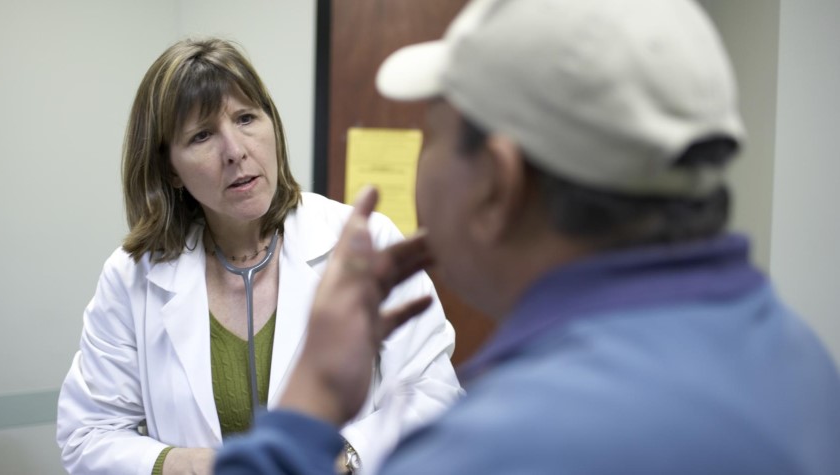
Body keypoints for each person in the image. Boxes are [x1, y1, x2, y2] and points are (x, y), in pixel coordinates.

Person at [213, 0, 840, 473]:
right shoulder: (800, 357)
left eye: (431, 134)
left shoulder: (494, 450)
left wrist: (310, 400)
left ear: (496, 182)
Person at [56, 38, 462, 475]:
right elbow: (88, 434)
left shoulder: (364, 240)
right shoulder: (133, 276)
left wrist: (339, 457)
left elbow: (434, 395)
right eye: (202, 135)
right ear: (170, 168)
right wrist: (196, 466)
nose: (235, 150)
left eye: (246, 118)